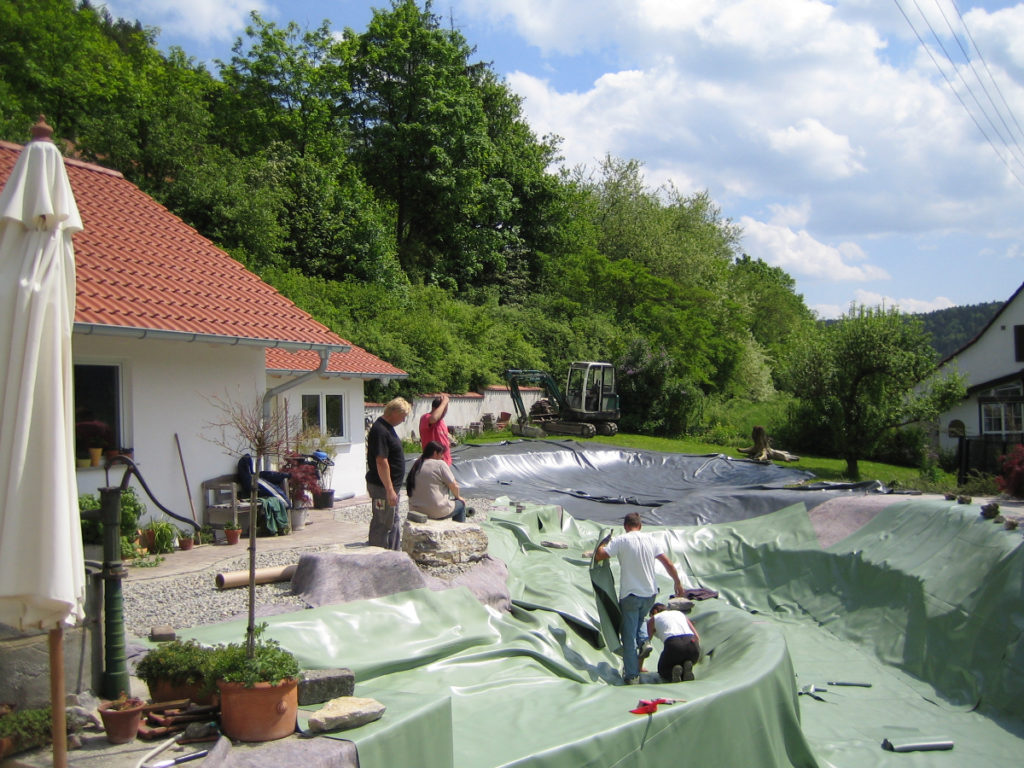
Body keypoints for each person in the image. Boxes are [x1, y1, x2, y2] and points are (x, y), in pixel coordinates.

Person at [595, 511, 685, 685]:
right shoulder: (651, 540)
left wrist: (602, 542)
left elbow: (601, 555)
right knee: (641, 618)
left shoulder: (622, 540)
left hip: (630, 594)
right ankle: (644, 641)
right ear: (640, 526)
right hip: (649, 593)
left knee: (628, 637)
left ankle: (632, 675)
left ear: (625, 526)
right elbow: (668, 562)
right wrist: (677, 582)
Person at [365, 397, 411, 550]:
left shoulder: (386, 428)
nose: (404, 420)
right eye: (403, 416)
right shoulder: (380, 431)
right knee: (383, 521)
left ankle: (393, 552)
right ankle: (379, 554)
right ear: (394, 412)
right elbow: (381, 461)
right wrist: (389, 490)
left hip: (389, 486)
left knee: (393, 519)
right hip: (382, 486)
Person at [406, 440, 466, 522]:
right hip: (435, 511)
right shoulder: (440, 464)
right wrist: (458, 497)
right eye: (441, 454)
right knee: (461, 504)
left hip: (415, 510)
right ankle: (459, 530)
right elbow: (454, 485)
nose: (442, 457)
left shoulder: (416, 465)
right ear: (435, 453)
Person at [647, 603, 700, 682]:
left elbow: (646, 644)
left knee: (663, 670)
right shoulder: (680, 614)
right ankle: (687, 666)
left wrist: (639, 666)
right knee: (683, 659)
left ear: (654, 611)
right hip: (692, 645)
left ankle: (672, 673)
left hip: (674, 645)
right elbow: (697, 637)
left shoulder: (653, 619)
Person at [419, 394, 451, 464]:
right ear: (435, 408)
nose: (444, 411)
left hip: (445, 461)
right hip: (433, 462)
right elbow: (434, 418)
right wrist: (444, 403)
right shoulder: (426, 418)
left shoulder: (441, 421)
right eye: (443, 409)